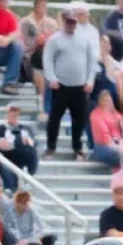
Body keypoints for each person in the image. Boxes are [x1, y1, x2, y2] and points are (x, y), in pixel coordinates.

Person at [43, 9, 97, 161]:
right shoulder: (54, 39)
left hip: (79, 86)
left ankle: (77, 147)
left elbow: (92, 61)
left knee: (79, 119)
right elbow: (47, 59)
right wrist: (51, 78)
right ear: (63, 21)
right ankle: (50, 146)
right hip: (60, 85)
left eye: (74, 22)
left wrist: (90, 80)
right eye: (69, 22)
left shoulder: (84, 39)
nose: (71, 25)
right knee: (54, 118)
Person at [20, 0, 59, 117]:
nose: (43, 9)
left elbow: (55, 40)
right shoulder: (26, 22)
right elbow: (28, 43)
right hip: (31, 57)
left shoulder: (51, 23)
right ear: (35, 6)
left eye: (45, 6)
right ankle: (44, 107)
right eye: (41, 6)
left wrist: (44, 39)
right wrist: (41, 40)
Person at [0, 104, 39, 189]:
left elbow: (34, 143)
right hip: (7, 158)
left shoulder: (25, 129)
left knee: (32, 150)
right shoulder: (1, 129)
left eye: (16, 114)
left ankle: (29, 175)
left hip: (23, 156)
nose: (13, 116)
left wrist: (29, 142)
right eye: (11, 113)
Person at [89, 89, 123, 169]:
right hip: (103, 145)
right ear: (100, 102)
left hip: (119, 143)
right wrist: (118, 146)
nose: (108, 102)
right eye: (105, 100)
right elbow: (104, 137)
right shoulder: (96, 115)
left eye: (109, 100)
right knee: (122, 153)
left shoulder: (116, 114)